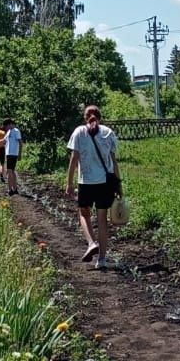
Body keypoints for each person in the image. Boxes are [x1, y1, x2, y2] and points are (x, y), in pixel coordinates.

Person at [65, 105, 121, 270]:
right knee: (102, 220)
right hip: (105, 183)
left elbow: (74, 159)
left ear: (85, 117)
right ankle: (102, 260)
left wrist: (69, 183)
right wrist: (119, 185)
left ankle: (91, 243)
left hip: (86, 182)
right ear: (100, 117)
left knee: (84, 214)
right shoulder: (108, 133)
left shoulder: (79, 132)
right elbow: (114, 161)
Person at [2, 119, 22, 195]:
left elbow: (20, 143)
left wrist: (19, 154)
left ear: (10, 124)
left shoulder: (16, 131)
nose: (5, 128)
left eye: (6, 126)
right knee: (12, 171)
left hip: (13, 154)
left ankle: (10, 190)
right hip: (9, 154)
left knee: (9, 171)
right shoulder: (8, 132)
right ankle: (15, 189)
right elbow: (4, 141)